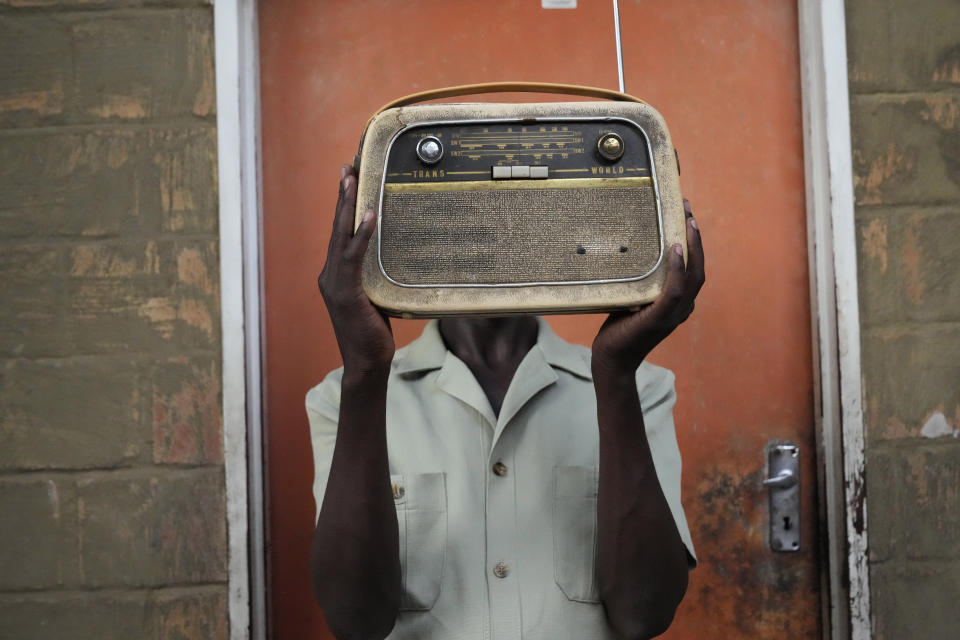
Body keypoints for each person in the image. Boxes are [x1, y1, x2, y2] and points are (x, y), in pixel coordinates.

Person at [308, 165, 705, 640]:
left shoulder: (640, 387)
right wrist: (366, 371)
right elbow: (354, 622)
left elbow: (646, 615)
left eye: (512, 208)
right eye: (463, 212)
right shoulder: (345, 396)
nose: (489, 233)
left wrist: (616, 376)